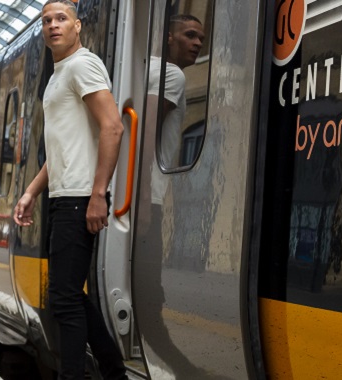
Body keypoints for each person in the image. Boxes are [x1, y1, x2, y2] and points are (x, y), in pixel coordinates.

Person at [13, 1, 126, 378]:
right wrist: (31, 192)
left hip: (80, 198)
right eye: (46, 20)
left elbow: (113, 127)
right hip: (63, 199)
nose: (52, 25)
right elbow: (60, 149)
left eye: (61, 19)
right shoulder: (57, 76)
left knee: (64, 297)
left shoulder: (83, 65)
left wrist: (98, 194)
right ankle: (113, 370)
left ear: (78, 26)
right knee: (66, 294)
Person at [138, 13, 206, 377]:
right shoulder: (172, 75)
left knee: (145, 301)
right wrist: (145, 199)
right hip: (148, 201)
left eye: (201, 39)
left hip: (139, 198)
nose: (197, 43)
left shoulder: (144, 70)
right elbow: (147, 133)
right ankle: (189, 374)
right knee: (149, 305)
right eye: (189, 35)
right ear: (168, 37)